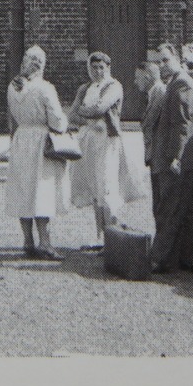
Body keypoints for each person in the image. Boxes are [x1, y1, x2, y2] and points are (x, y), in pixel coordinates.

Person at [68, 51, 145, 248]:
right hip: (88, 141)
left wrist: (85, 113)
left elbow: (100, 109)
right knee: (94, 186)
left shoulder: (114, 86)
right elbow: (72, 115)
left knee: (107, 185)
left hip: (107, 141)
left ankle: (113, 239)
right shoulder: (84, 88)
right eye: (94, 67)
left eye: (101, 67)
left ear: (108, 68)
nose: (98, 71)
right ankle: (100, 237)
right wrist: (88, 118)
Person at [3, 45, 70, 260]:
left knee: (23, 188)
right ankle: (45, 242)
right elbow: (57, 121)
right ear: (40, 65)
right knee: (42, 189)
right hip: (41, 140)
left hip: (21, 138)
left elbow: (13, 116)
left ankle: (27, 240)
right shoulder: (45, 88)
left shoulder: (13, 87)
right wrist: (65, 125)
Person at [145, 42, 193, 274]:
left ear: (177, 59)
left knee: (168, 209)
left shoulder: (181, 84)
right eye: (158, 61)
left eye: (166, 60)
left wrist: (175, 157)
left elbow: (182, 124)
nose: (161, 65)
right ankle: (187, 258)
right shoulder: (178, 83)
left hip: (176, 159)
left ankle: (158, 259)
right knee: (185, 209)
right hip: (181, 158)